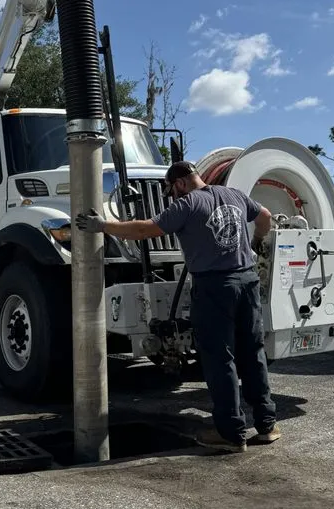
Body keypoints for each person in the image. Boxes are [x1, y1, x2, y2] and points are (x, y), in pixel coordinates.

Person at [75, 161, 279, 453]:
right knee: (253, 352)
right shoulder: (234, 195)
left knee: (220, 358)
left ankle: (231, 433)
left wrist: (103, 226)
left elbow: (146, 230)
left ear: (180, 183)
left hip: (214, 287)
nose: (172, 196)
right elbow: (266, 217)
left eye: (171, 191)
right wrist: (257, 241)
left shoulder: (187, 204)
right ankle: (267, 425)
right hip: (247, 281)